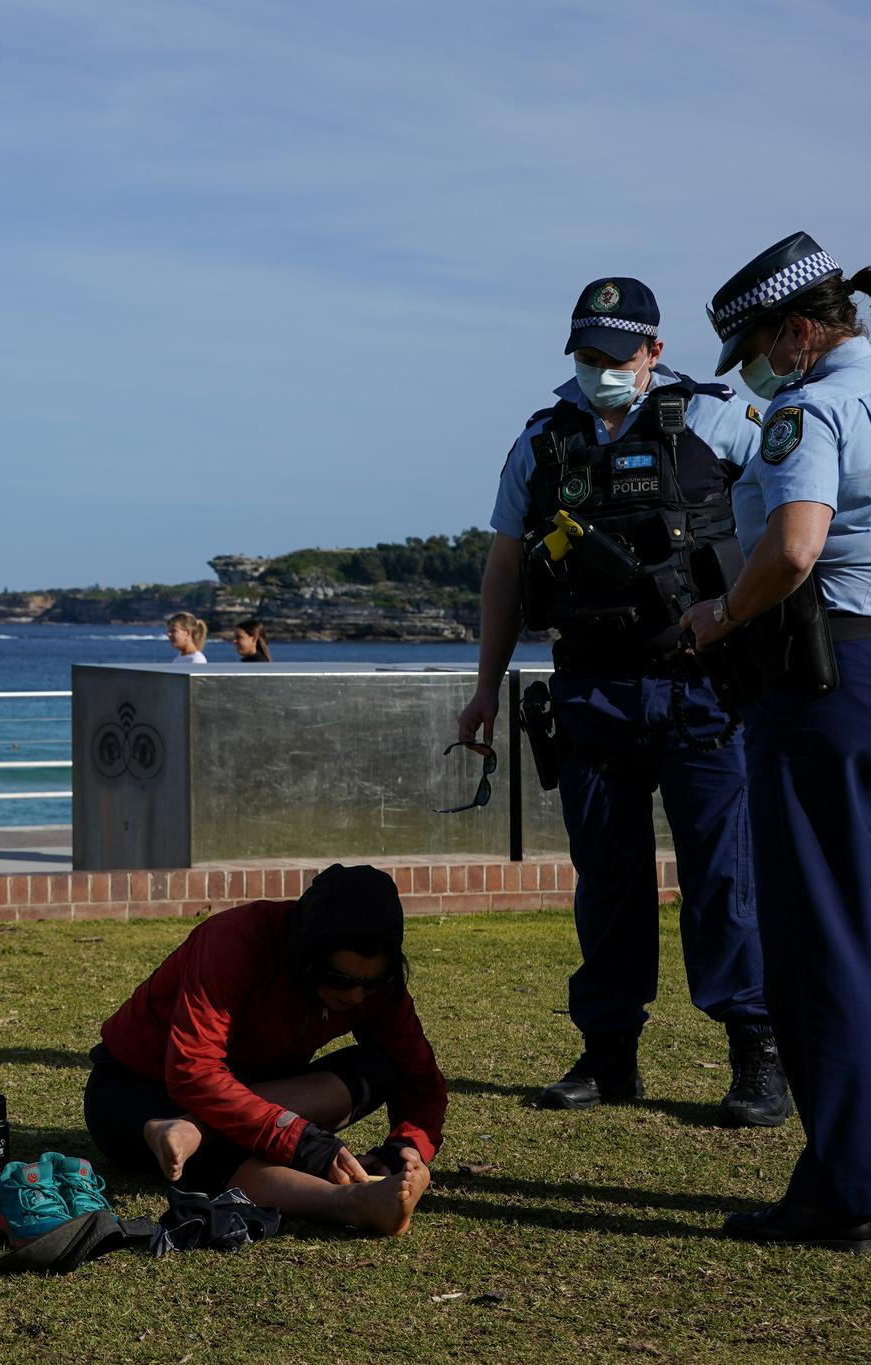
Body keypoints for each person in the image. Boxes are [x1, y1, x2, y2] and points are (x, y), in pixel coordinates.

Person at [685, 233, 871, 1252]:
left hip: (831, 679)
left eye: (760, 344)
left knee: (816, 939)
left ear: (798, 331)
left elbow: (795, 543)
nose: (756, 369)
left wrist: (717, 619)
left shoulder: (809, 409)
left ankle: (839, 1189)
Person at [457, 276, 790, 1127]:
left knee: (726, 877)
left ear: (655, 350)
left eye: (616, 353)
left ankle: (756, 1049)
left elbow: (791, 529)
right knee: (606, 880)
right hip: (591, 691)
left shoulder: (720, 422)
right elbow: (503, 569)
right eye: (586, 353)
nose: (601, 367)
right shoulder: (541, 442)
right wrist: (487, 688)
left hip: (703, 686)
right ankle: (610, 1053)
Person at [84, 864, 442, 1236]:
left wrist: (404, 1150)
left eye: (372, 983)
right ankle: (351, 1203)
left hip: (249, 1092)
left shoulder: (375, 985)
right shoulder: (234, 940)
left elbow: (419, 1078)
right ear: (308, 956)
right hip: (137, 1092)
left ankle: (198, 1128)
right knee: (219, 1149)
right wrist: (301, 1140)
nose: (355, 996)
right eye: (340, 979)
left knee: (377, 1068)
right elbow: (193, 1070)